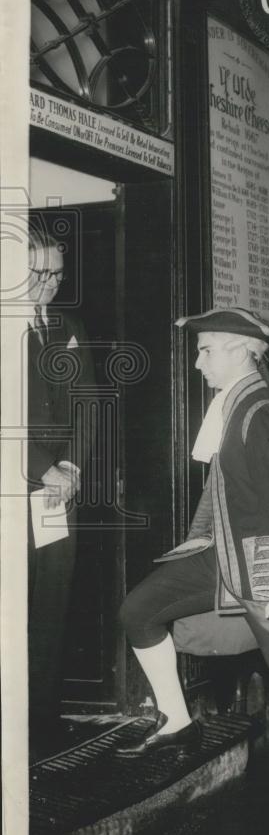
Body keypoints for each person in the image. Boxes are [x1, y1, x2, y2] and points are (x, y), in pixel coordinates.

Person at [116, 307, 269, 835]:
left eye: (207, 349)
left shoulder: (262, 411)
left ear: (243, 351)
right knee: (138, 611)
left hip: (266, 561)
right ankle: (176, 720)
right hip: (223, 552)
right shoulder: (232, 403)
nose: (198, 362)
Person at [26, 229, 93, 755]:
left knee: (52, 603)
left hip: (55, 497)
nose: (49, 285)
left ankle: (42, 725)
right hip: (19, 486)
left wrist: (68, 467)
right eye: (39, 273)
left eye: (56, 275)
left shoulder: (69, 328)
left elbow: (88, 405)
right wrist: (39, 467)